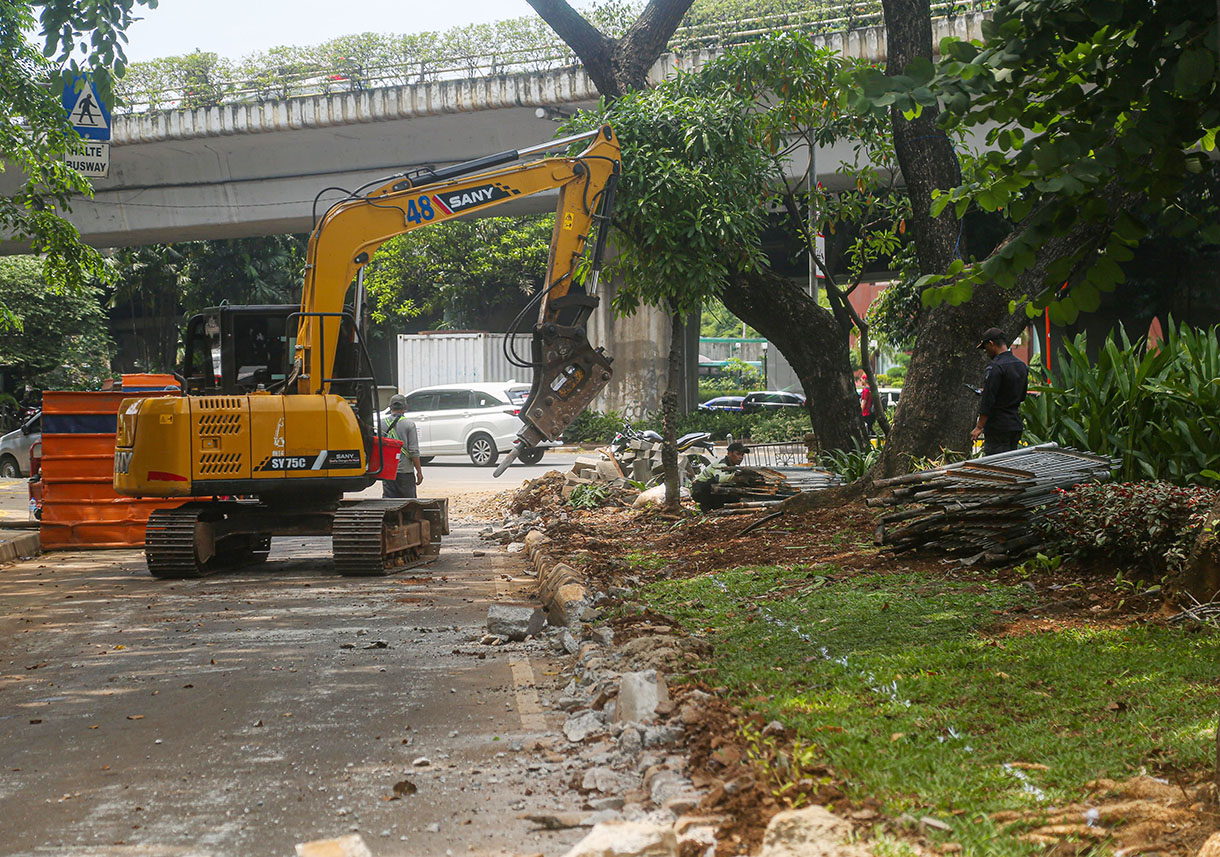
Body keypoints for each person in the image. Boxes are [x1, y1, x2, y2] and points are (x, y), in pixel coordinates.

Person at [970, 327, 1029, 457]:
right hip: (1014, 425)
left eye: (986, 348)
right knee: (1010, 465)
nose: (986, 352)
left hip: (998, 427)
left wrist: (979, 427)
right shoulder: (1021, 365)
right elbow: (1022, 395)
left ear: (991, 344)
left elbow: (988, 400)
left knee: (997, 468)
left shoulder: (996, 367)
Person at [382, 394, 424, 498]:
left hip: (388, 471)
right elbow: (413, 451)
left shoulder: (381, 424)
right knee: (408, 503)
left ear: (390, 407)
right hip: (405, 471)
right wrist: (419, 471)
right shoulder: (409, 424)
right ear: (405, 407)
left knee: (389, 503)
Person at [691, 441, 750, 512]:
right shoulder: (721, 465)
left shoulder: (732, 467)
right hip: (700, 490)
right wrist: (736, 476)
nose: (740, 457)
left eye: (742, 455)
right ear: (729, 454)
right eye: (738, 454)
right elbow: (720, 478)